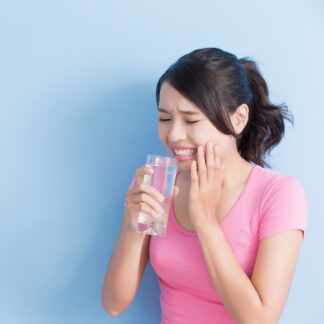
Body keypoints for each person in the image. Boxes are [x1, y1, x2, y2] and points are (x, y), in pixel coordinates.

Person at [101, 47, 308, 323]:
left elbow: (260, 319)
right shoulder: (158, 181)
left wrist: (205, 222)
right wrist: (132, 223)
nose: (173, 134)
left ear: (238, 119)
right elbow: (114, 304)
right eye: (164, 118)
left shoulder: (278, 195)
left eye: (191, 120)